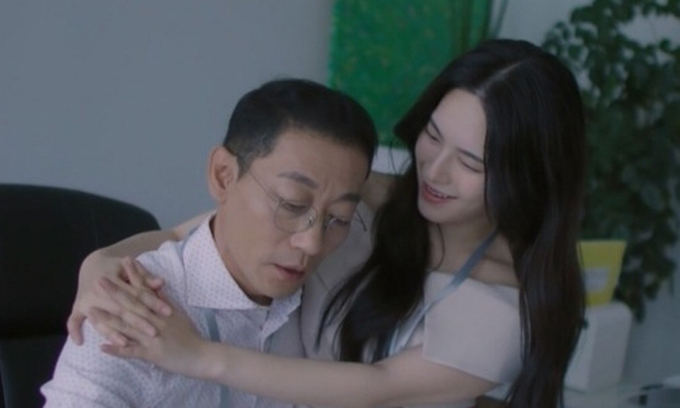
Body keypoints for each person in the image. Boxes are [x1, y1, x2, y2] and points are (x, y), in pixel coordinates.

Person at [68, 39, 587, 408]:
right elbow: (201, 230)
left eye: (471, 162)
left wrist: (199, 357)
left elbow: (375, 387)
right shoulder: (369, 194)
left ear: (528, 175)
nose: (435, 170)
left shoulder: (504, 305)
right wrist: (100, 264)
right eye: (432, 136)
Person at [40, 78, 378, 408]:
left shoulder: (326, 287)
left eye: (340, 218)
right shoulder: (132, 310)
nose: (313, 244)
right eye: (291, 204)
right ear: (223, 176)